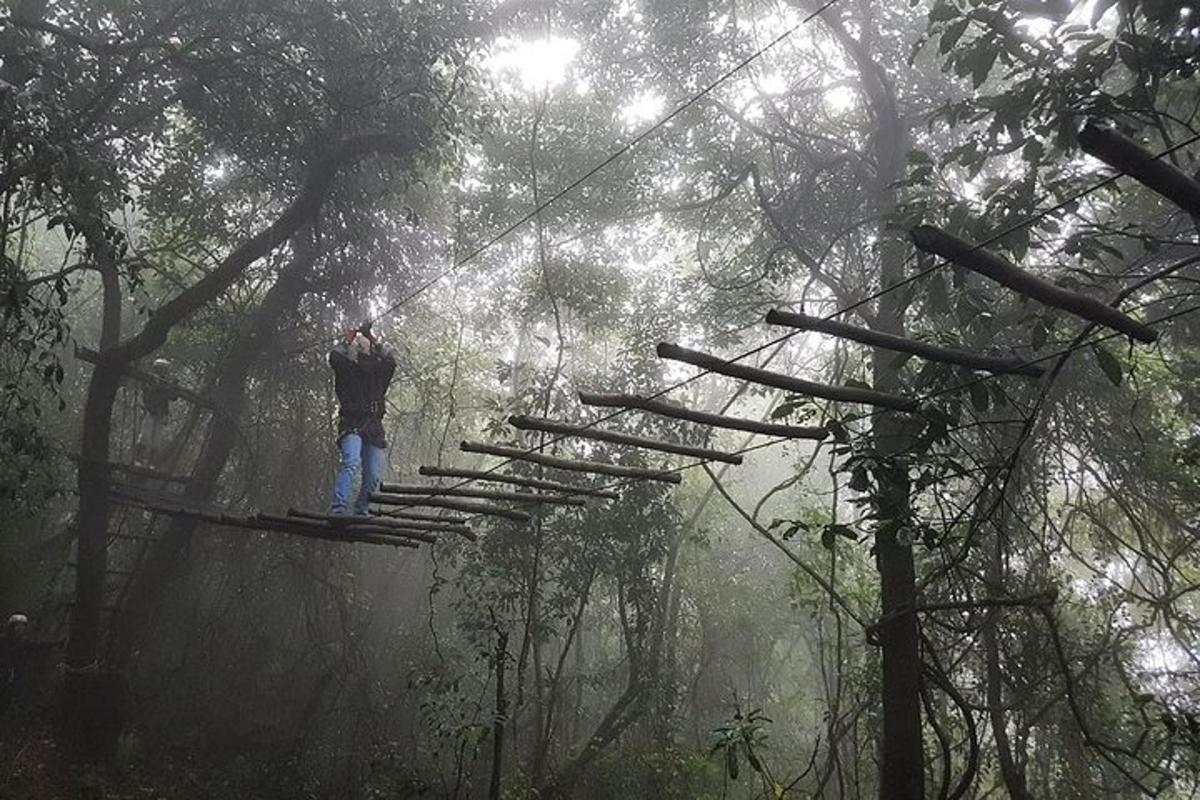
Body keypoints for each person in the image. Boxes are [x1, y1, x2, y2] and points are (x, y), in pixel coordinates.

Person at [329, 322, 396, 516]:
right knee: (351, 461)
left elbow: (391, 362)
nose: (361, 348)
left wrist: (373, 339)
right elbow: (335, 357)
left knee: (373, 474)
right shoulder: (347, 371)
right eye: (358, 346)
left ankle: (361, 509)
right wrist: (348, 339)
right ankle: (338, 507)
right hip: (351, 424)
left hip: (373, 427)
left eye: (364, 346)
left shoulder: (378, 375)